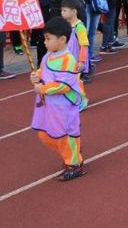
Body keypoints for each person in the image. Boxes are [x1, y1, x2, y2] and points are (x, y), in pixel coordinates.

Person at [30, 17, 86, 181]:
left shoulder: (68, 60)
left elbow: (64, 85)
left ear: (62, 39)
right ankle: (71, 152)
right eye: (45, 38)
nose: (45, 42)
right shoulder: (48, 55)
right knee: (45, 134)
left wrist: (44, 89)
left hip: (63, 106)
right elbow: (42, 71)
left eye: (48, 39)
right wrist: (35, 76)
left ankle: (74, 163)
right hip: (47, 105)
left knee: (65, 134)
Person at [61, 0, 91, 100]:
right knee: (68, 81)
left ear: (73, 11)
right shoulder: (66, 26)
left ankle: (81, 99)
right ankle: (72, 98)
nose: (62, 13)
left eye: (64, 10)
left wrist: (82, 61)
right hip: (68, 60)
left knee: (75, 81)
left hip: (76, 61)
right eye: (62, 10)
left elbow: (84, 45)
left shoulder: (80, 27)